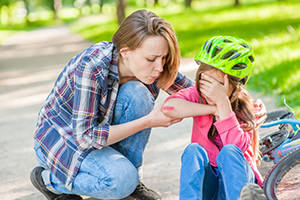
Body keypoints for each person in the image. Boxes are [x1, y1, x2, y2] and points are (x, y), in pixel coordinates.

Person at [30, 9, 266, 199]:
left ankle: (132, 184)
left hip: (100, 134)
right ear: (125, 52)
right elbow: (85, 137)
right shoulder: (92, 67)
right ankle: (51, 181)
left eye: (163, 58)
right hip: (64, 139)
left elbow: (197, 92)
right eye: (151, 59)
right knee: (119, 181)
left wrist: (239, 105)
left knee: (136, 92)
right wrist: (149, 121)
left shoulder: (151, 70)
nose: (159, 68)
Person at [162, 36, 267, 200]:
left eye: (217, 84)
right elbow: (169, 107)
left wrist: (223, 104)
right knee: (193, 150)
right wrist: (213, 108)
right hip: (210, 188)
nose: (210, 90)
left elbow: (236, 148)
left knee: (229, 151)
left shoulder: (245, 105)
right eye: (206, 81)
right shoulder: (198, 94)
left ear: (235, 85)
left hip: (238, 184)